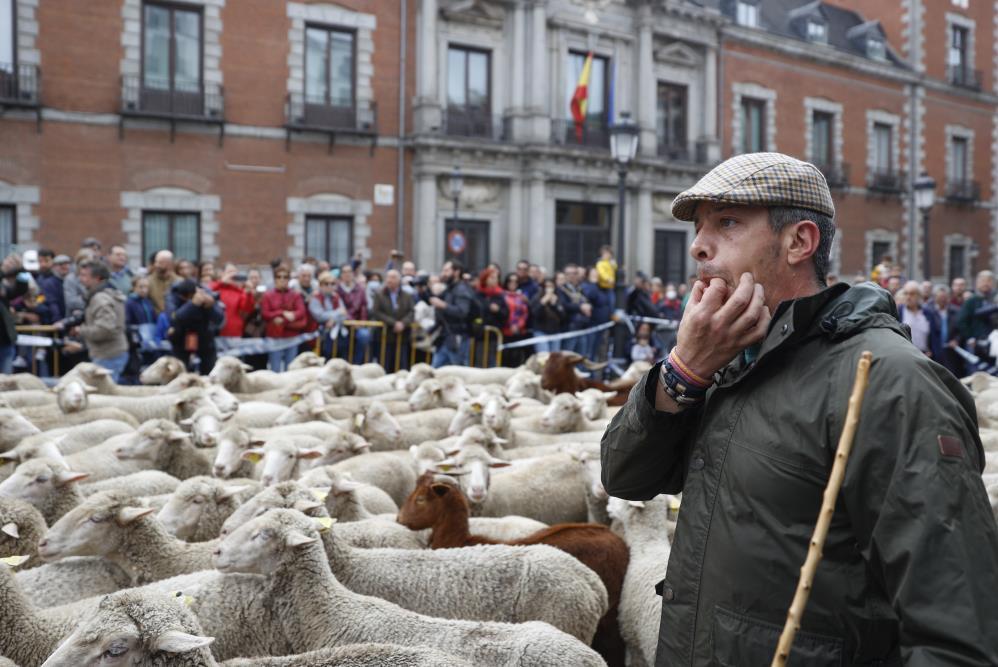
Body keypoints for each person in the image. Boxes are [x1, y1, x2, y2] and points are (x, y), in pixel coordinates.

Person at [601, 152, 998, 665]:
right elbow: (625, 477)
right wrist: (683, 370)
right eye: (699, 228)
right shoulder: (726, 359)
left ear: (799, 242)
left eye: (727, 223)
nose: (699, 246)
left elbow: (957, 636)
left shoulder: (889, 381)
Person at [74, 260, 129, 382]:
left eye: (84, 275)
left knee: (105, 395)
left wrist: (81, 330)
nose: (80, 279)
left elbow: (105, 329)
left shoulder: (100, 299)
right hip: (111, 352)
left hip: (108, 355)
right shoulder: (109, 293)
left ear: (97, 278)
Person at [167, 279, 223, 374]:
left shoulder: (206, 294)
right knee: (180, 370)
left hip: (204, 337)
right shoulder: (172, 297)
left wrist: (210, 307)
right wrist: (192, 304)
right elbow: (175, 318)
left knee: (210, 368)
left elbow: (219, 319)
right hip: (180, 338)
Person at [430, 259, 475, 367]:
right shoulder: (450, 288)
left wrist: (443, 305)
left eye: (446, 271)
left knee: (460, 372)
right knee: (435, 371)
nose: (443, 274)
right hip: (446, 337)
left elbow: (462, 311)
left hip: (458, 338)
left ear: (456, 272)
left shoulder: (462, 289)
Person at [261, 266, 306, 372]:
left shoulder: (295, 295)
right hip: (274, 336)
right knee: (275, 369)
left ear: (288, 279)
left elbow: (301, 312)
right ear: (275, 279)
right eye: (279, 277)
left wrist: (286, 318)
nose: (282, 279)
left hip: (291, 336)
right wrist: (282, 313)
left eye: (285, 277)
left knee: (290, 369)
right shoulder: (268, 295)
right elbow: (265, 313)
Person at [370, 269, 415, 371]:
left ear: (399, 280)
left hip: (402, 336)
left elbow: (412, 312)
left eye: (393, 277)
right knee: (385, 365)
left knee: (401, 365)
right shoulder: (379, 294)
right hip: (385, 335)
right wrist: (394, 323)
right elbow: (376, 312)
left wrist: (403, 323)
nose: (390, 280)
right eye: (388, 277)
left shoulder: (407, 295)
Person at [0, 254, 30, 373]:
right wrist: (5, 270)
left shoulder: (4, 286)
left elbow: (19, 290)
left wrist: (22, 271)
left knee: (6, 382)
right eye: (8, 262)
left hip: (5, 341)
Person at [957, 270, 996, 359]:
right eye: (983, 281)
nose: (986, 283)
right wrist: (970, 337)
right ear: (977, 283)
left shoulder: (995, 299)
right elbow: (961, 321)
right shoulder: (972, 301)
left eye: (989, 281)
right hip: (977, 342)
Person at [336, 263, 370, 363]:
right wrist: (351, 321)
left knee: (364, 337)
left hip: (358, 324)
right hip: (341, 324)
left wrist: (362, 322)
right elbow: (339, 308)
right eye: (344, 272)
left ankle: (357, 365)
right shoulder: (337, 289)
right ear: (341, 274)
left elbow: (363, 306)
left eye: (349, 272)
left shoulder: (360, 289)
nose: (347, 274)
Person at [309, 271, 348, 358]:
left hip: (337, 332)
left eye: (332, 283)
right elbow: (319, 316)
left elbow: (344, 314)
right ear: (320, 285)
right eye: (326, 283)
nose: (330, 286)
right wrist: (337, 312)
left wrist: (333, 320)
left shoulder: (336, 296)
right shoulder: (315, 297)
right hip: (320, 334)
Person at [211, 264, 256, 339]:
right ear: (223, 274)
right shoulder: (217, 286)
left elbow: (246, 308)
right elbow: (206, 290)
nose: (233, 275)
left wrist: (248, 293)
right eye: (230, 272)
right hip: (216, 330)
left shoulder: (240, 292)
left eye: (235, 272)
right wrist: (221, 282)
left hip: (234, 332)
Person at [930, 284, 964, 377]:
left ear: (949, 297)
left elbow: (961, 330)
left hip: (951, 352)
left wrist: (956, 340)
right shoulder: (929, 311)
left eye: (945, 297)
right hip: (934, 352)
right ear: (934, 297)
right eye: (940, 297)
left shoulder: (956, 311)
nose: (942, 300)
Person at [897, 280, 936, 356]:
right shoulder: (899, 312)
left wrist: (932, 352)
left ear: (919, 295)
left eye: (912, 294)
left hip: (924, 355)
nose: (908, 297)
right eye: (906, 293)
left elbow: (933, 336)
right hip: (905, 355)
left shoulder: (928, 313)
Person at [501, 273, 531, 367]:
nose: (513, 283)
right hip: (504, 330)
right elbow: (503, 312)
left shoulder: (521, 296)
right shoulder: (502, 295)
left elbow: (524, 313)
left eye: (515, 281)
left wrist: (518, 325)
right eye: (510, 281)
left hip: (518, 331)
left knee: (516, 357)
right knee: (504, 356)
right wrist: (509, 325)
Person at [530, 277, 565, 353]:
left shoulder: (558, 298)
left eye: (551, 286)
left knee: (554, 358)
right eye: (547, 286)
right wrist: (542, 303)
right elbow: (535, 314)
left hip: (555, 332)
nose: (549, 289)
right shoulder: (537, 298)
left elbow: (562, 316)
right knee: (544, 357)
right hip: (540, 331)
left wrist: (555, 305)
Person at [63, 248, 94, 318]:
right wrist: (89, 300)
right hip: (74, 319)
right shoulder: (70, 279)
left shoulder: (95, 278)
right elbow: (71, 302)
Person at [38, 254, 70, 322]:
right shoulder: (48, 283)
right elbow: (52, 303)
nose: (64, 267)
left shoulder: (73, 281)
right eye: (61, 264)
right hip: (55, 321)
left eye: (66, 264)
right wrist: (58, 320)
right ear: (54, 267)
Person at [595, 245, 617, 310]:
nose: (607, 255)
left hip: (610, 286)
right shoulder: (600, 263)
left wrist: (613, 264)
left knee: (611, 303)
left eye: (608, 253)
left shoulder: (610, 262)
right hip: (603, 286)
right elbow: (601, 273)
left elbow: (615, 269)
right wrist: (608, 279)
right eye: (605, 253)